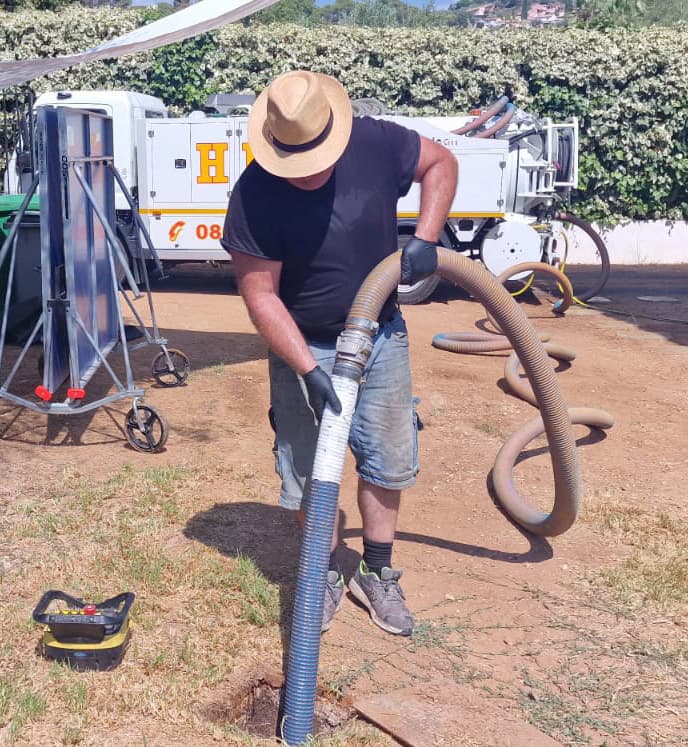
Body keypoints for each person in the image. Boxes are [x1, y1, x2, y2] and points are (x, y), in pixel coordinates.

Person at [221, 70, 457, 636]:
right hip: (305, 343)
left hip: (380, 335)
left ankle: (377, 573)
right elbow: (261, 297)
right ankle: (323, 573)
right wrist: (307, 369)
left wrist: (425, 237)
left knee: (388, 457)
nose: (308, 172)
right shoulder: (255, 195)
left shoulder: (374, 143)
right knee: (311, 469)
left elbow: (441, 162)